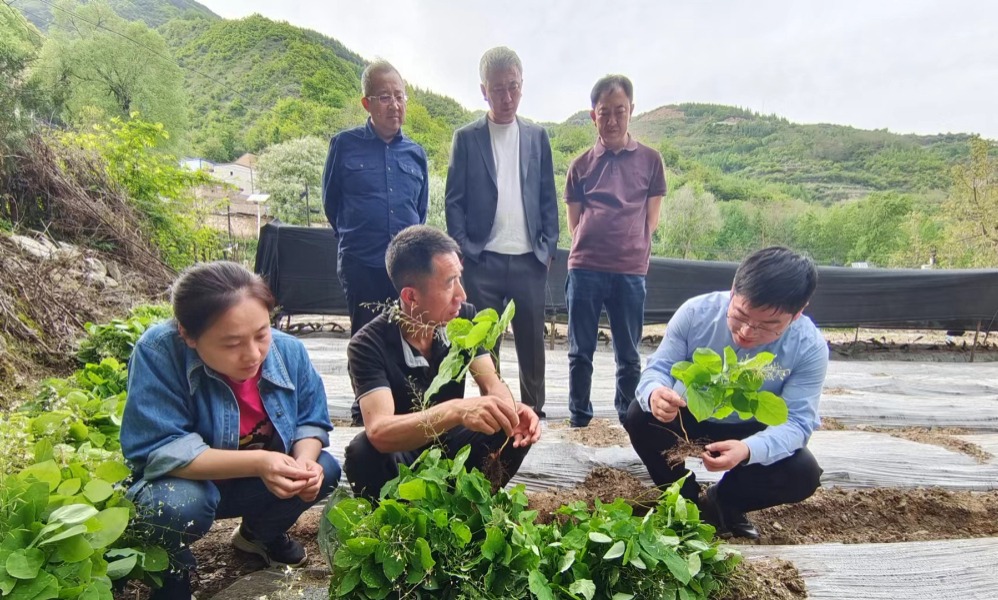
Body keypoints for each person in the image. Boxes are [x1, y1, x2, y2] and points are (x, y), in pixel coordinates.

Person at [120, 262, 340, 600]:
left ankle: (257, 536)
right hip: (188, 486)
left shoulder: (288, 350)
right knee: (179, 504)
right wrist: (259, 463)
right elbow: (160, 449)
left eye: (262, 334)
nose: (252, 354)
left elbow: (310, 421)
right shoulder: (159, 351)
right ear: (188, 334)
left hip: (251, 483)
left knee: (325, 469)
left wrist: (305, 463)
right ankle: (171, 569)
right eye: (231, 343)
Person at [624, 247, 826, 540]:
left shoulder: (809, 347)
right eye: (740, 315)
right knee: (640, 417)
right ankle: (685, 499)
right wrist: (655, 392)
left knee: (803, 473)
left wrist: (748, 450)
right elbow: (660, 368)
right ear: (733, 290)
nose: (746, 331)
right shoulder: (695, 313)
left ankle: (724, 502)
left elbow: (796, 422)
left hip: (750, 428)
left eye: (768, 326)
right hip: (691, 414)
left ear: (797, 313)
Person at [342, 225, 541, 501]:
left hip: (452, 448)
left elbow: (492, 382)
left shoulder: (463, 322)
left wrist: (510, 409)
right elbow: (379, 431)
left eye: (459, 279)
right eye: (449, 283)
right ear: (411, 297)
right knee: (362, 451)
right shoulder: (368, 344)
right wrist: (457, 410)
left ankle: (468, 508)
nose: (462, 294)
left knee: (514, 426)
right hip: (404, 455)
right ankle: (402, 524)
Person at [445, 46, 559, 418]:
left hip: (529, 257)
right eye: (498, 89)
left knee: (531, 342)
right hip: (483, 258)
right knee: (483, 341)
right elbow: (454, 200)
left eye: (513, 87)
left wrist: (548, 248)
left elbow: (547, 196)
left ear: (521, 85)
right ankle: (491, 410)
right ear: (483, 91)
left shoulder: (537, 136)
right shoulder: (466, 138)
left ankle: (534, 412)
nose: (507, 97)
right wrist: (463, 249)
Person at [564, 74, 666, 427]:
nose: (611, 120)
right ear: (593, 115)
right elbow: (574, 223)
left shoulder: (652, 161)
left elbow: (650, 219)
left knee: (629, 353)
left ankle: (628, 417)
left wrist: (629, 247)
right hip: (585, 268)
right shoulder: (579, 165)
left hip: (630, 271)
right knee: (580, 352)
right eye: (604, 113)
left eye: (619, 111)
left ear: (631, 111)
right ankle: (579, 417)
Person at [322, 60, 430, 335]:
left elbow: (420, 210)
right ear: (366, 103)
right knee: (366, 342)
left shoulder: (416, 154)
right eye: (384, 97)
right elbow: (331, 203)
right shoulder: (344, 145)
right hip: (361, 264)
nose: (394, 105)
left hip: (405, 268)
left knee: (407, 342)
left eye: (399, 96)